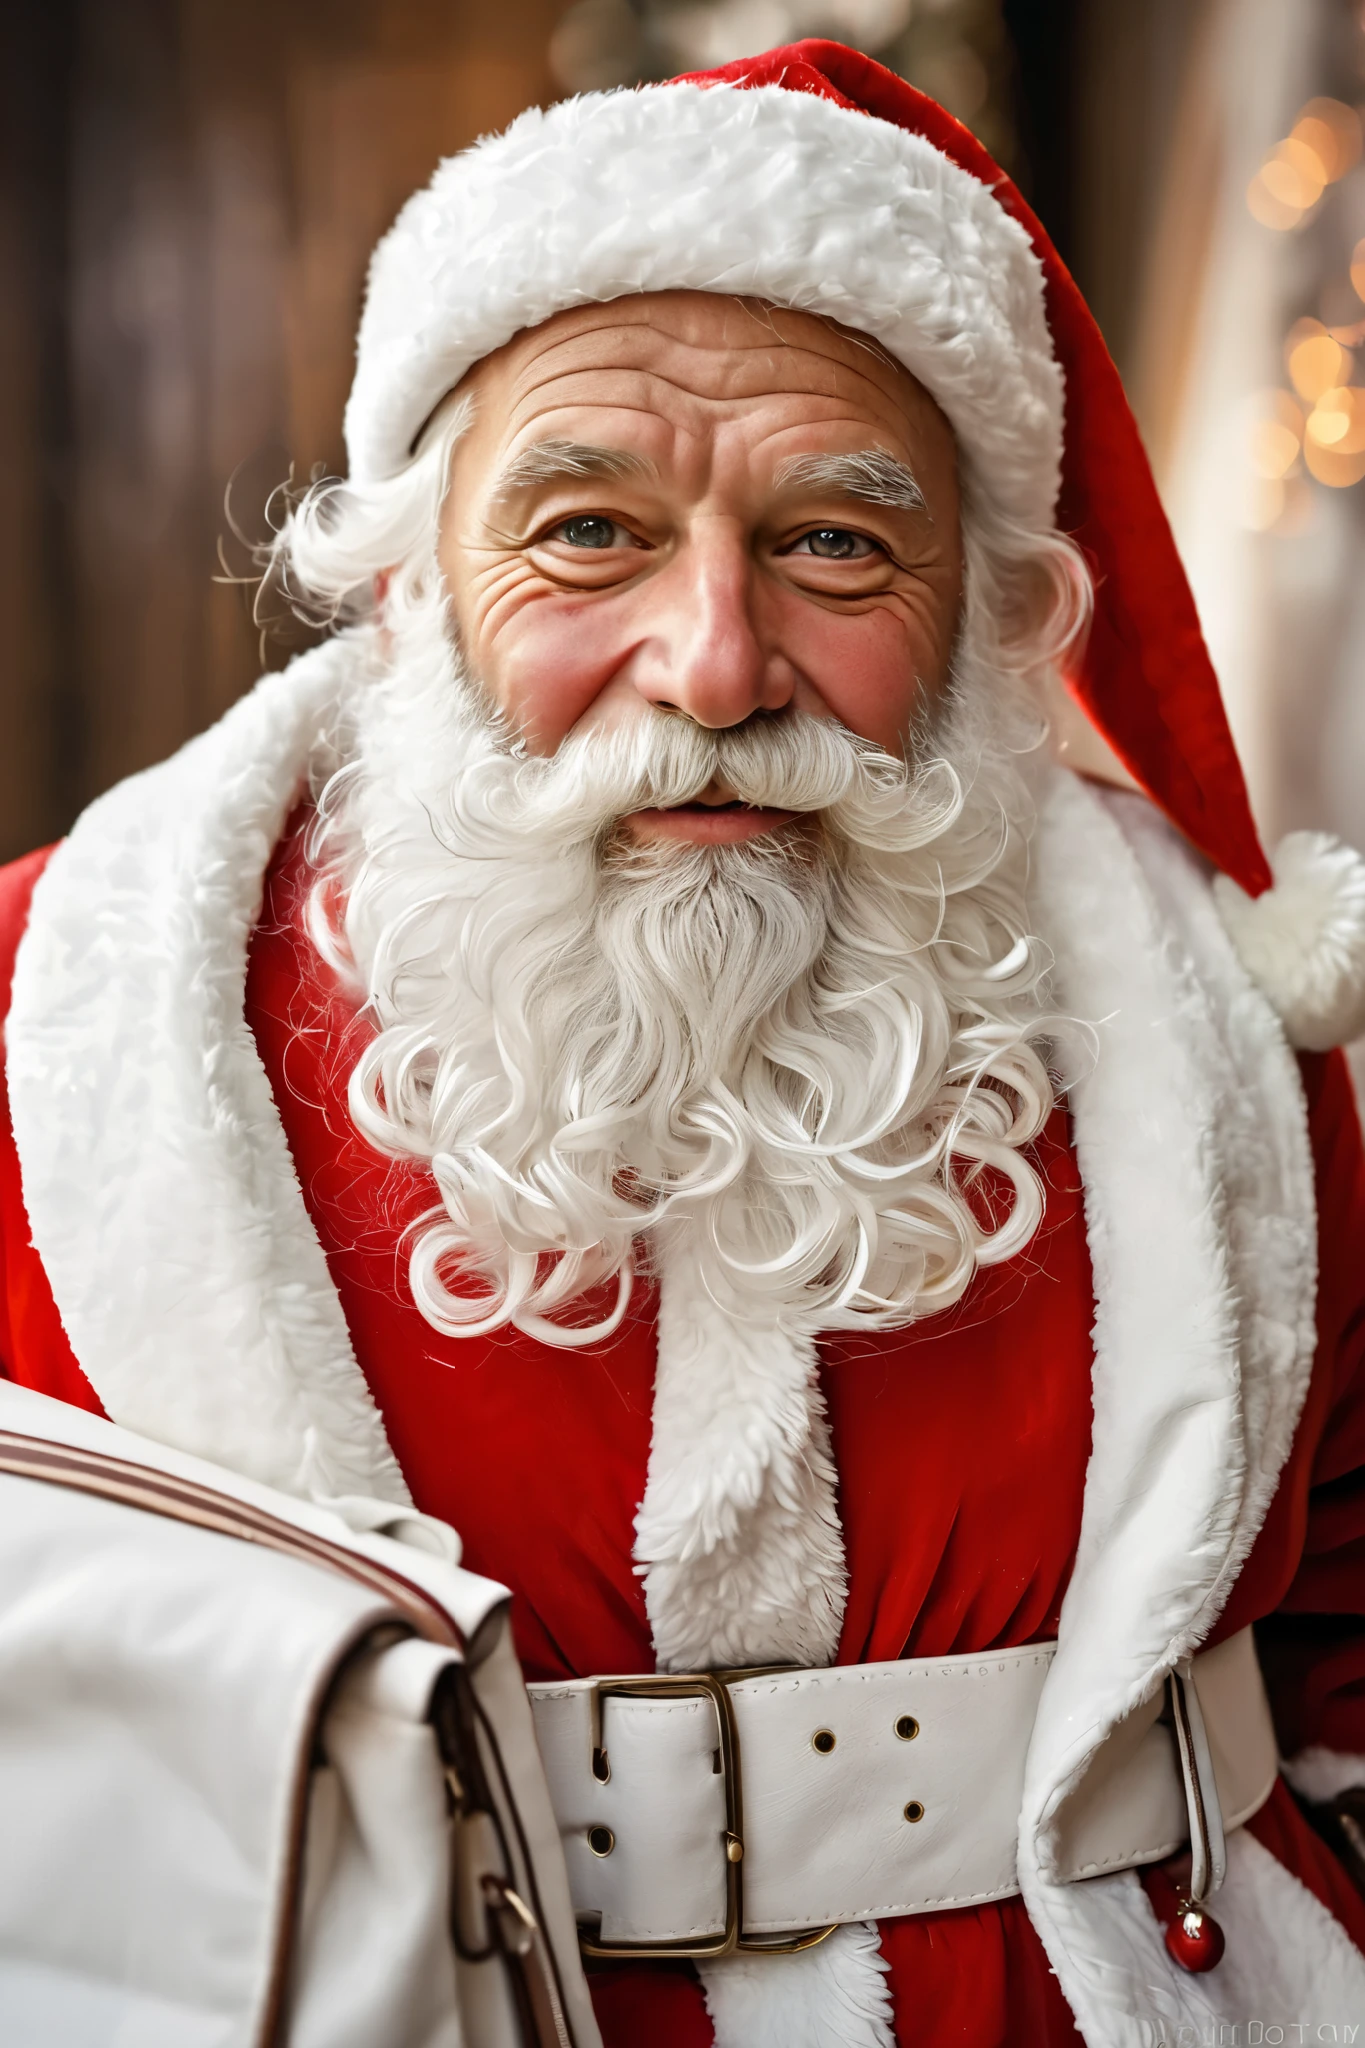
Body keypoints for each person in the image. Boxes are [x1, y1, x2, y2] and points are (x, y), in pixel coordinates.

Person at [3, 38, 1365, 2048]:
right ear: (406, 596)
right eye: (584, 533)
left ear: (989, 609)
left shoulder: (1231, 1023)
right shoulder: (56, 1008)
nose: (715, 660)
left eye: (834, 542)